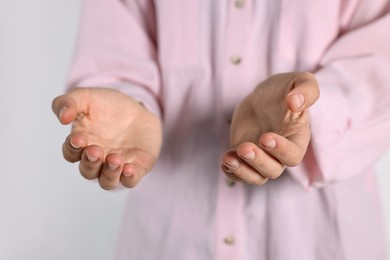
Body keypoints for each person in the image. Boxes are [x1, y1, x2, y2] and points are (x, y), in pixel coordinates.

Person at [52, 0, 390, 259]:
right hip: (169, 235)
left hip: (318, 237)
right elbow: (117, 45)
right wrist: (130, 102)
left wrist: (310, 110)